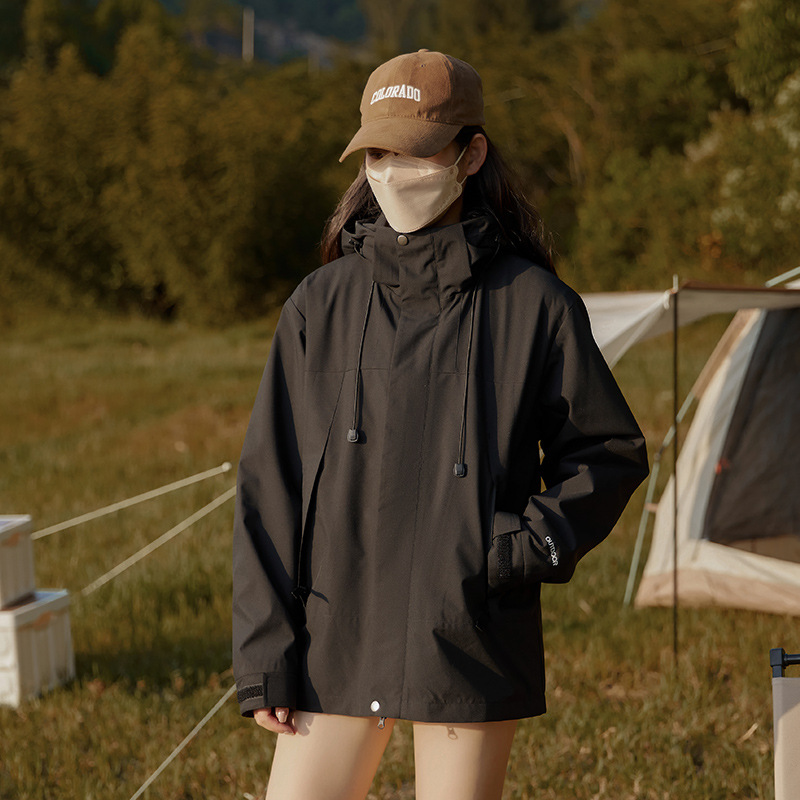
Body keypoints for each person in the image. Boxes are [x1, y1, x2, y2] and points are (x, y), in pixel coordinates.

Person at [232, 49, 649, 800]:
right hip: (334, 635)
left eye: (416, 151)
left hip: (469, 629)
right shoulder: (318, 306)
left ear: (471, 153)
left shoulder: (536, 306)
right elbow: (268, 486)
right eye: (379, 153)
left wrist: (520, 547)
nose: (395, 171)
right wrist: (267, 654)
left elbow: (609, 452)